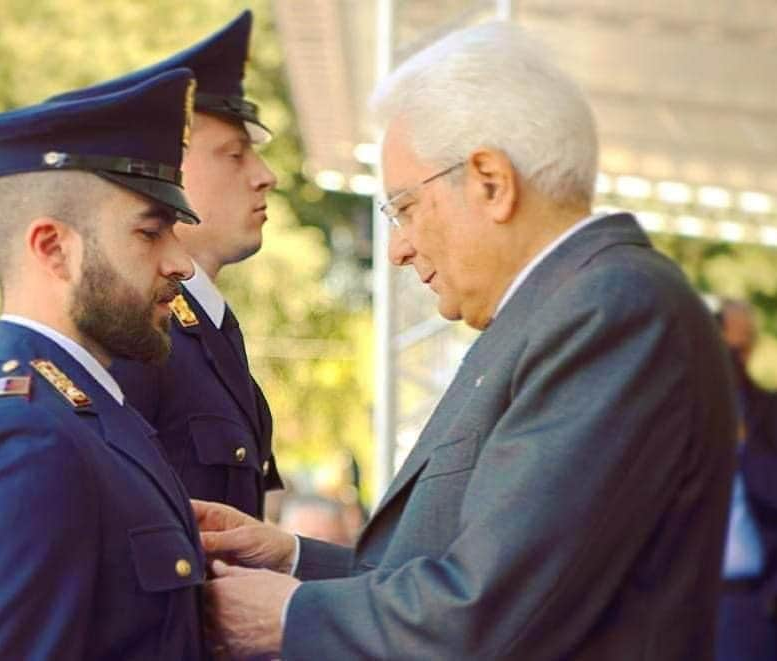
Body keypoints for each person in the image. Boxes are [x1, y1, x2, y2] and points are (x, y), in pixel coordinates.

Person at [194, 21, 738, 659]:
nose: (397, 248)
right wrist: (291, 560)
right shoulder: (564, 309)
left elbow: (492, 611)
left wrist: (289, 615)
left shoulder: (610, 313)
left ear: (490, 182)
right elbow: (456, 567)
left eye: (403, 207)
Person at [0, 69, 212, 659]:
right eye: (150, 232)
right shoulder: (19, 440)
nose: (181, 264)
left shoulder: (86, 416)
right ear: (53, 248)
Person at [47, 11, 282, 519]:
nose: (266, 176)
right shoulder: (135, 332)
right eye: (234, 155)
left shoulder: (208, 329)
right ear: (169, 171)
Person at [715, 299, 777, 661]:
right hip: (677, 602)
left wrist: (743, 445)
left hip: (750, 602)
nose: (735, 356)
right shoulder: (667, 412)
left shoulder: (776, 414)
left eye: (741, 345)